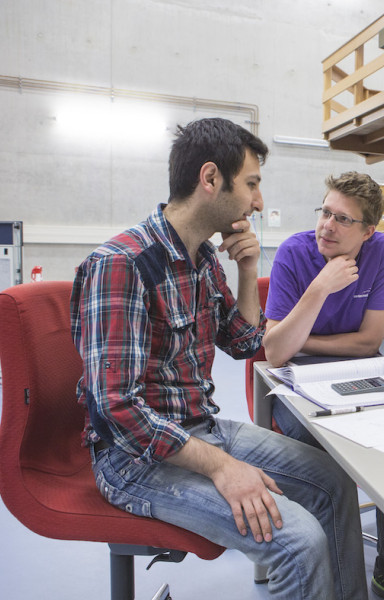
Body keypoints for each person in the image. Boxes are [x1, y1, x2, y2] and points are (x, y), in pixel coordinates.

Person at [70, 118, 367, 600]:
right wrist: (221, 467)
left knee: (334, 483)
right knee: (296, 542)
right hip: (133, 460)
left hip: (199, 430)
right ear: (210, 179)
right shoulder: (122, 264)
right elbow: (117, 411)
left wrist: (249, 270)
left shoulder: (202, 259)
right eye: (252, 184)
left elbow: (246, 342)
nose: (258, 201)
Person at [262, 171, 384, 599]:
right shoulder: (295, 254)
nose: (327, 226)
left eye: (342, 219)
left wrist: (303, 339)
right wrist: (319, 288)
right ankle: (334, 576)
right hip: (297, 386)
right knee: (329, 467)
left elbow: (370, 341)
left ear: (368, 231)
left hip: (360, 374)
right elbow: (275, 353)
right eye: (325, 213)